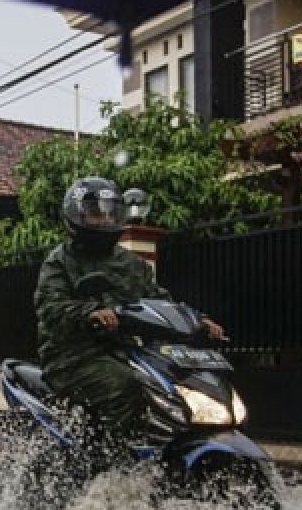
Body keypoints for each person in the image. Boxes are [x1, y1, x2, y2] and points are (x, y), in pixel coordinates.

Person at [34, 177, 225, 444]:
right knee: (123, 386)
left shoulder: (132, 264)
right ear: (76, 215)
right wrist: (89, 312)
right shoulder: (59, 262)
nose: (103, 219)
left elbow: (162, 301)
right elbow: (50, 307)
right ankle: (110, 460)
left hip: (125, 353)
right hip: (71, 357)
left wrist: (198, 321)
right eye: (94, 213)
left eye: (109, 212)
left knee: (170, 386)